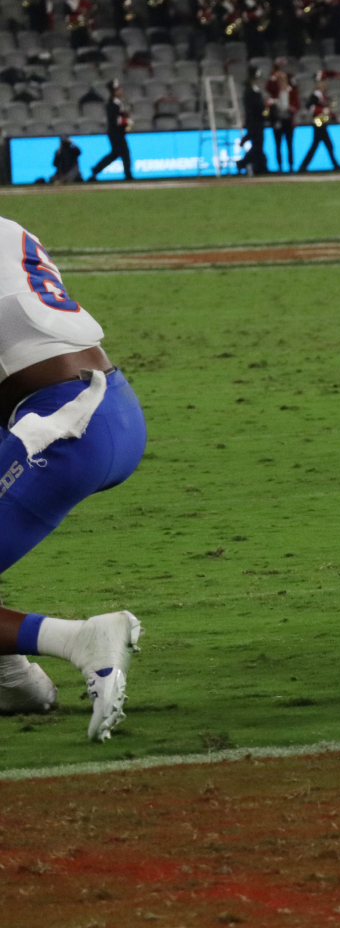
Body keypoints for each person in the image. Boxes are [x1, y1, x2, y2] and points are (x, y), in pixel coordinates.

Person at [0, 217, 146, 742]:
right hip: (107, 406)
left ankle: (81, 639)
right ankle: (13, 681)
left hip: (64, 428)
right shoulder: (9, 229)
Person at [89, 79, 133, 182]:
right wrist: (126, 120)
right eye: (118, 89)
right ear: (114, 91)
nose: (121, 91)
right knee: (125, 153)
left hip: (117, 133)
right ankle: (128, 175)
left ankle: (96, 169)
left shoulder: (117, 103)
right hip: (115, 133)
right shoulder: (112, 104)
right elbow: (115, 120)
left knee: (114, 154)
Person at [298, 76, 340, 172]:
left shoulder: (323, 96)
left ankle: (303, 166)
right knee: (325, 145)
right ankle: (335, 165)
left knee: (321, 145)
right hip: (318, 123)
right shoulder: (315, 96)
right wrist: (324, 110)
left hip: (322, 122)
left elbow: (327, 111)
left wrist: (334, 117)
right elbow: (311, 108)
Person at [265, 67, 298, 174]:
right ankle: (279, 166)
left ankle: (291, 166)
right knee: (278, 145)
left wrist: (292, 109)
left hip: (288, 120)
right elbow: (268, 88)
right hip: (278, 121)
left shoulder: (291, 90)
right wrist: (274, 76)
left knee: (289, 145)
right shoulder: (275, 92)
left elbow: (296, 104)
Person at [239, 67, 269, 176]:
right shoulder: (250, 91)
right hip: (254, 122)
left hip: (256, 121)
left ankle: (259, 167)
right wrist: (264, 109)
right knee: (257, 145)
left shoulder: (253, 90)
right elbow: (255, 107)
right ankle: (244, 163)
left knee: (258, 145)